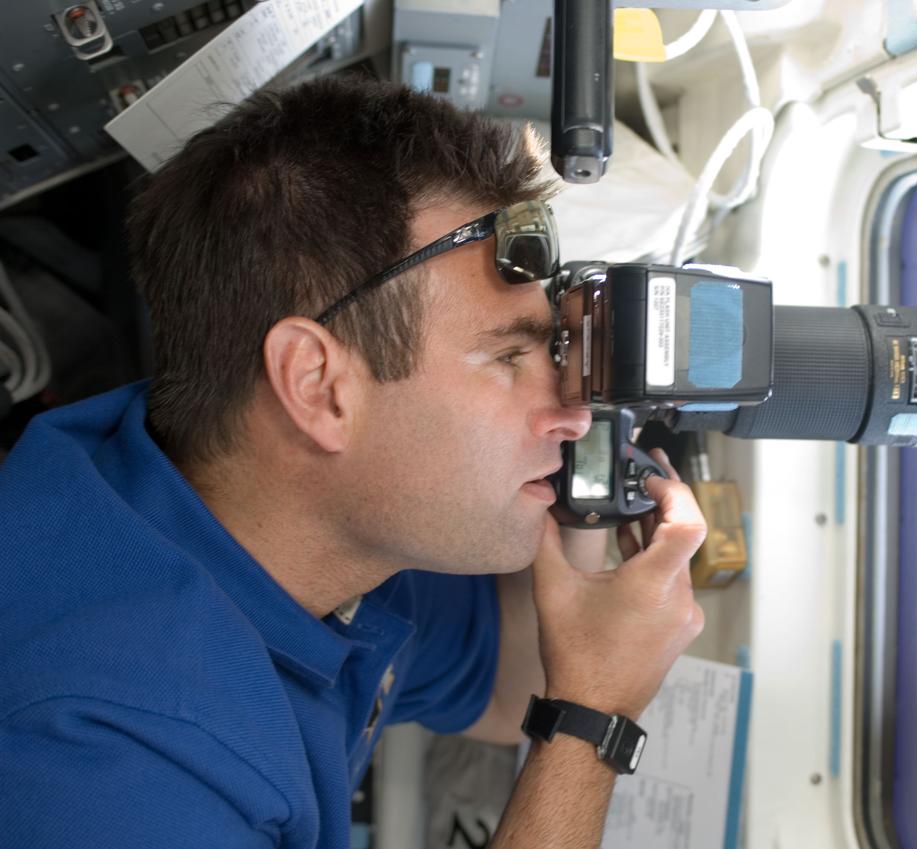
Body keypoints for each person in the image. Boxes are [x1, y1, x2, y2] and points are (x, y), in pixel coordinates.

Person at [0, 73, 706, 848]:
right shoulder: (105, 758)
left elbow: (510, 694)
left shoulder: (312, 528)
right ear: (317, 384)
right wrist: (594, 716)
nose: (572, 412)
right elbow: (554, 701)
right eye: (509, 356)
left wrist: (583, 527)